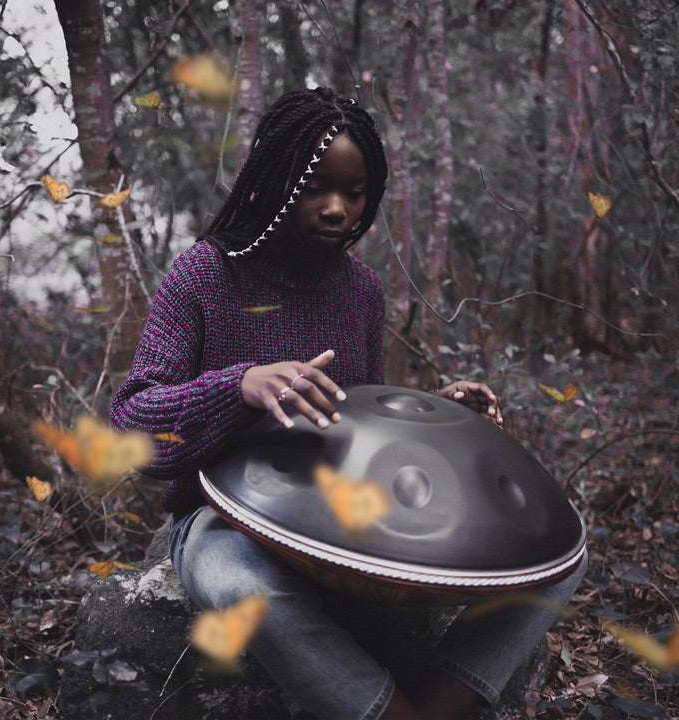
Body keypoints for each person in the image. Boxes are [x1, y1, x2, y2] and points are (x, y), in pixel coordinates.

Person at [111, 87, 585, 720]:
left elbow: (356, 413)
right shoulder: (203, 275)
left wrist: (439, 414)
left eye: (354, 193)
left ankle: (446, 704)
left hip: (342, 529)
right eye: (313, 187)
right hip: (226, 522)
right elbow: (134, 426)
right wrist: (241, 384)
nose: (336, 209)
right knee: (248, 590)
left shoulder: (359, 289)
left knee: (556, 557)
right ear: (270, 181)